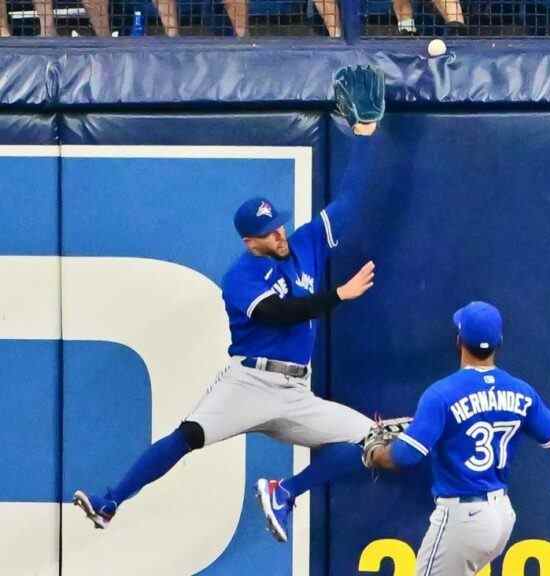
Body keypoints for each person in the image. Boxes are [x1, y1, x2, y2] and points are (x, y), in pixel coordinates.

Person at [74, 65, 387, 545]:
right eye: (267, 233)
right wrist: (337, 296)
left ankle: (284, 492)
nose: (279, 234)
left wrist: (364, 134)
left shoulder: (304, 242)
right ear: (250, 240)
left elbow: (350, 199)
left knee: (373, 440)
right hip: (249, 382)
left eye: (278, 225)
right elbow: (278, 315)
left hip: (296, 391)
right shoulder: (239, 277)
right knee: (187, 437)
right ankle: (111, 500)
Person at [367, 301, 550, 575]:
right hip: (501, 516)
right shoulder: (522, 392)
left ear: (459, 340)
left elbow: (404, 456)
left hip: (463, 518)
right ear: (499, 342)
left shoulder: (441, 395)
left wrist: (376, 453)